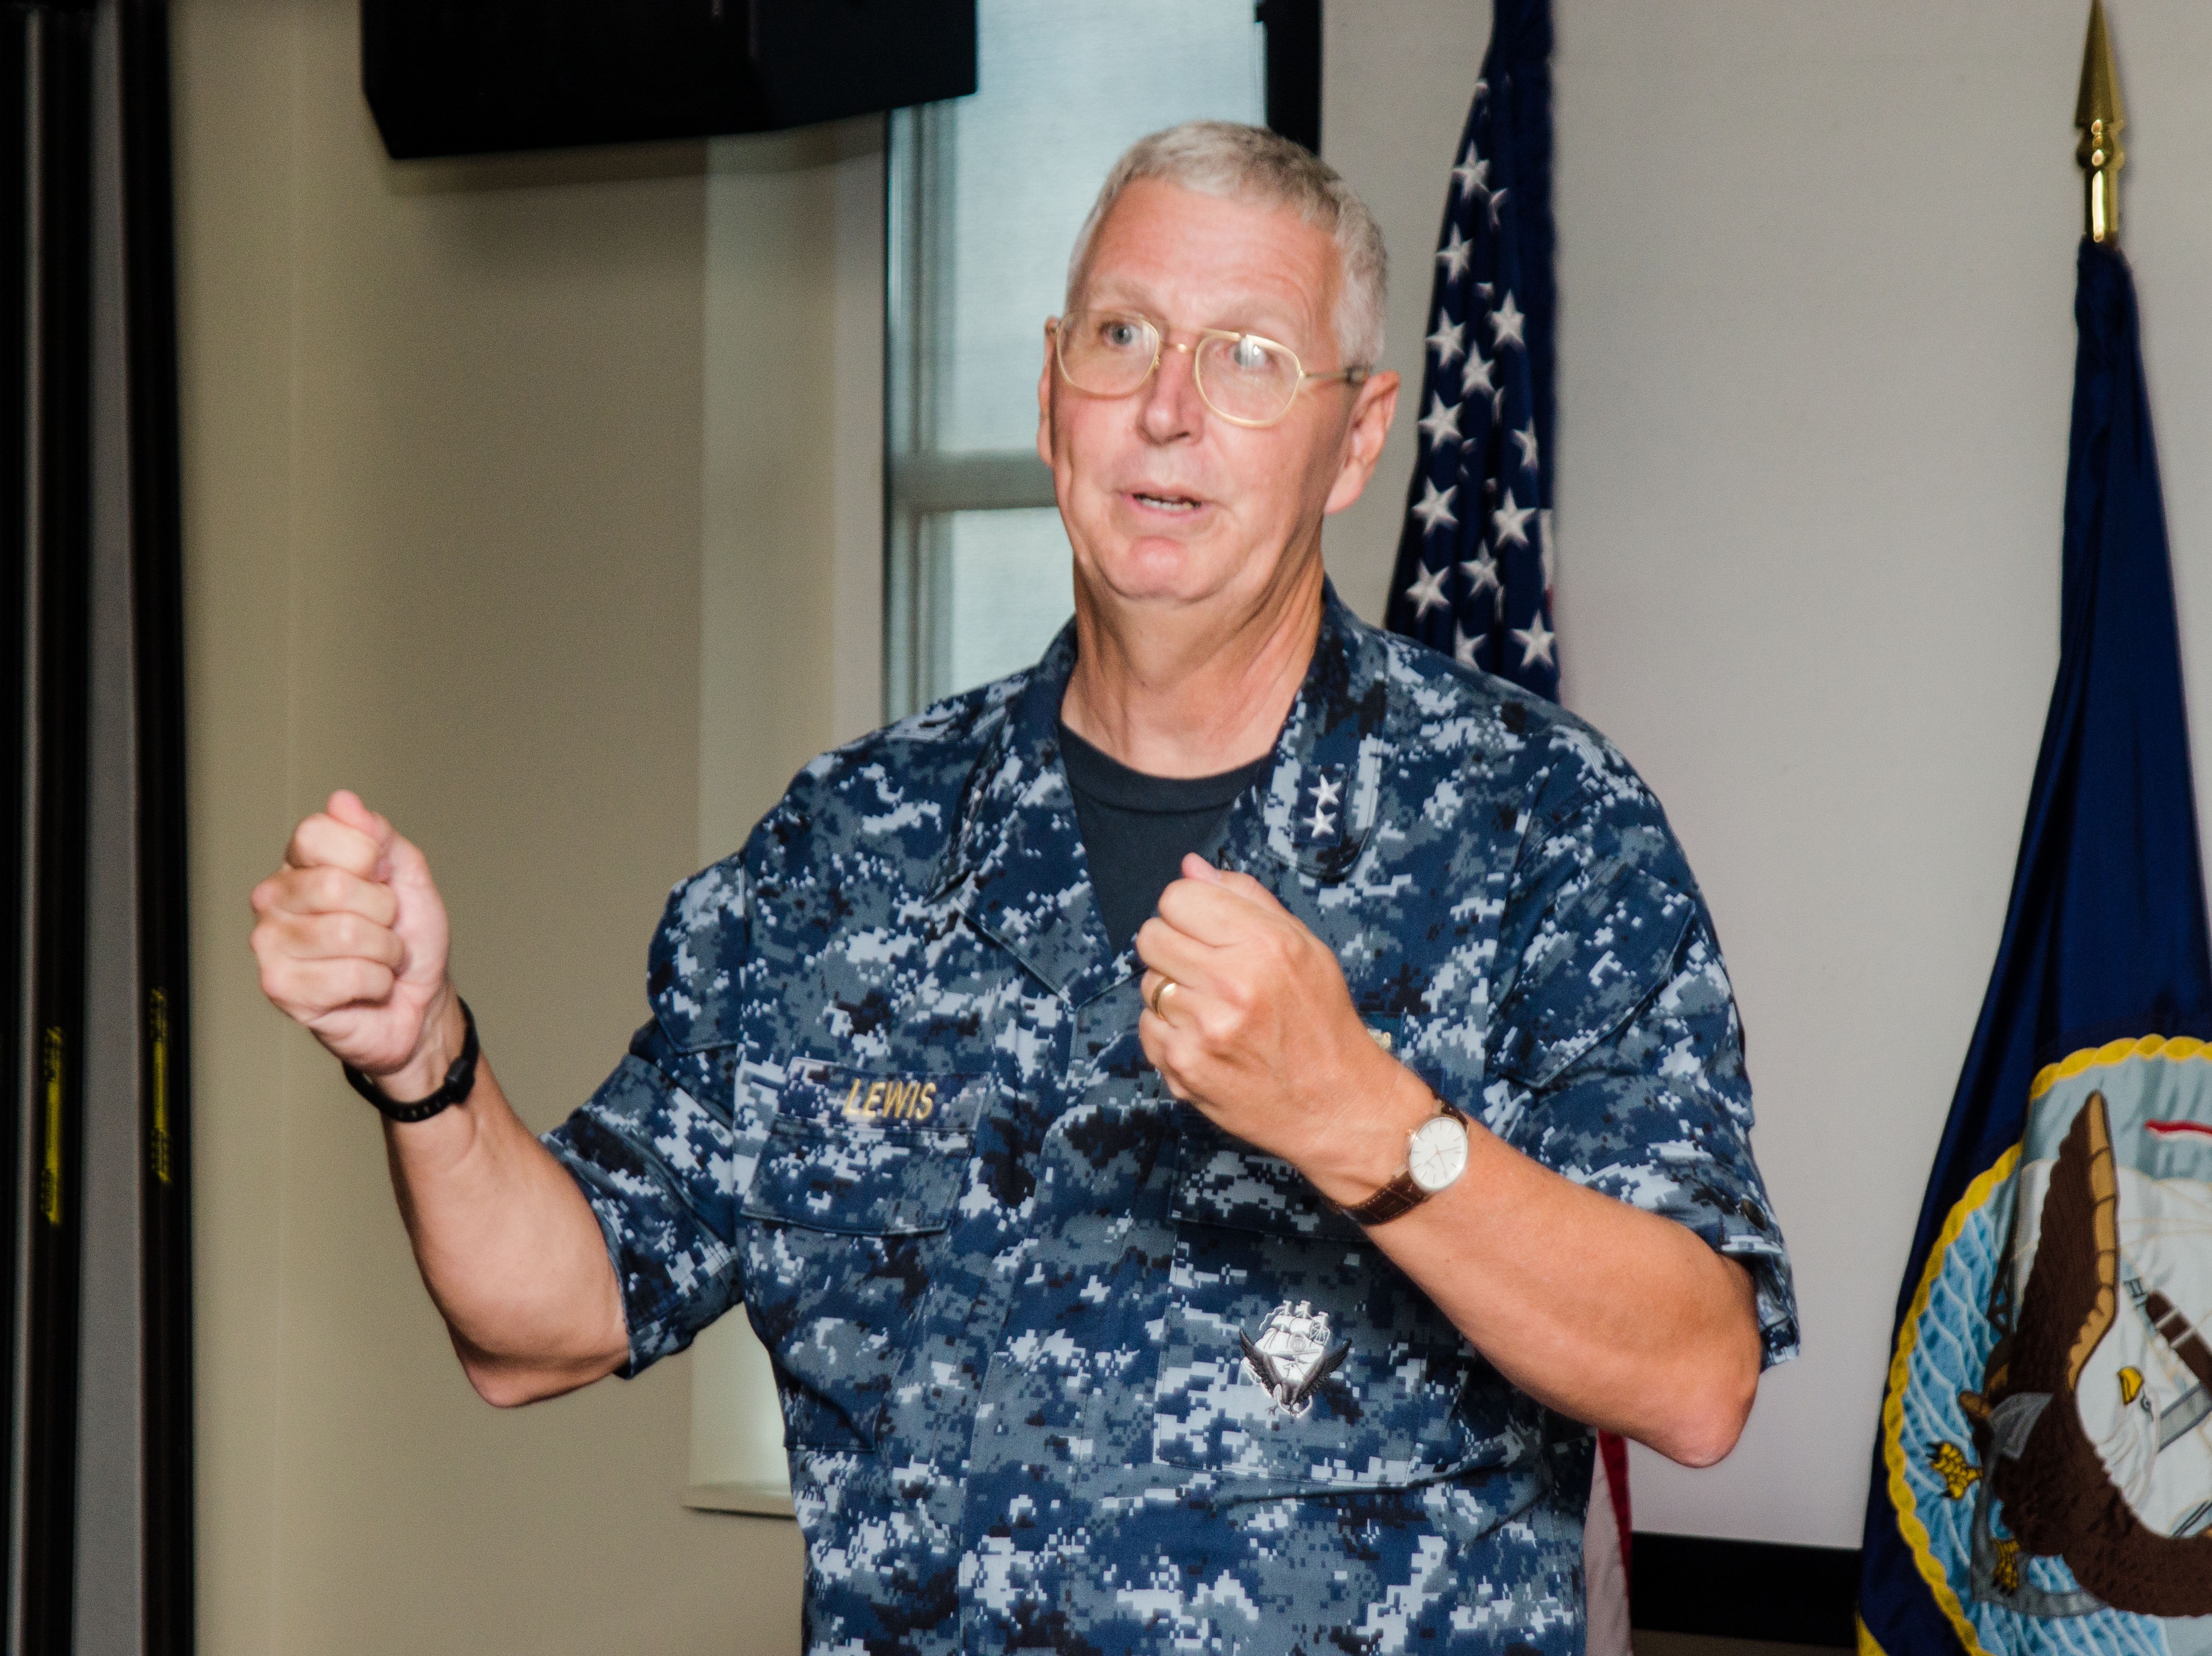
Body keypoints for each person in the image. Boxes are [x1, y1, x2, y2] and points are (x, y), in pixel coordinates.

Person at [249, 122, 1796, 1654]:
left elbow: (1695, 1372)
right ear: (1055, 393)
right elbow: (546, 1320)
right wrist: (424, 1062)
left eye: (1250, 356)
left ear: (1360, 434)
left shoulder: (1536, 827)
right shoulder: (851, 850)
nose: (1170, 412)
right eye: (1124, 338)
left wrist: (1360, 1120)